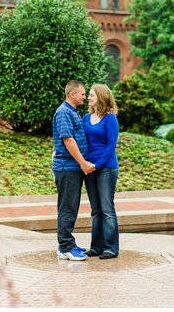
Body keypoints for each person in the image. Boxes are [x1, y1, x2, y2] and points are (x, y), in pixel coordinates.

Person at [52, 80, 95, 261]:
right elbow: (68, 140)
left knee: (71, 207)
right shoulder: (63, 112)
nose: (85, 97)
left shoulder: (73, 112)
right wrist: (83, 163)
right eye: (83, 94)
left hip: (72, 168)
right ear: (72, 94)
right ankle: (65, 248)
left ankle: (68, 243)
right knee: (67, 208)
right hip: (67, 168)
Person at [83, 83, 120, 259]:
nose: (88, 98)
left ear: (101, 97)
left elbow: (111, 145)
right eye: (89, 95)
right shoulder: (86, 118)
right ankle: (96, 247)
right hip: (89, 168)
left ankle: (111, 248)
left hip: (106, 167)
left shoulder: (110, 118)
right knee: (95, 210)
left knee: (106, 208)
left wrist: (96, 165)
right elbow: (81, 141)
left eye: (91, 95)